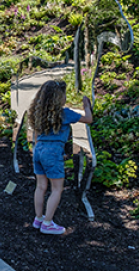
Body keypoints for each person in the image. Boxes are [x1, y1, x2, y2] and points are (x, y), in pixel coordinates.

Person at [28, 80, 94, 235]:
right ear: (59, 98)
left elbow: (36, 136)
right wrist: (86, 106)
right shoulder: (65, 113)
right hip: (52, 153)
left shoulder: (39, 114)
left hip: (39, 151)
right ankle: (48, 223)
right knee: (57, 188)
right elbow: (88, 120)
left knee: (40, 187)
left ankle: (38, 218)